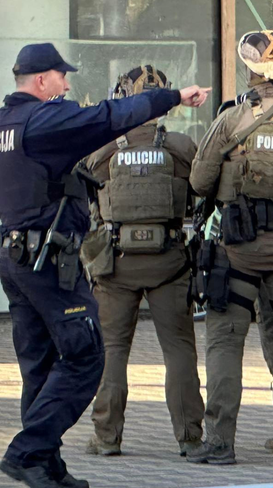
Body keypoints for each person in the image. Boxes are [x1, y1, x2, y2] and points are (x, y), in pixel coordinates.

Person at [0, 42, 209, 488]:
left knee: (39, 368)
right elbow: (107, 116)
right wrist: (174, 96)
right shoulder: (43, 119)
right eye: (62, 76)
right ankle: (26, 452)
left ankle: (46, 466)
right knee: (85, 357)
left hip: (16, 258)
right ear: (41, 80)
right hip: (49, 260)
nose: (66, 84)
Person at [81, 66, 203, 458]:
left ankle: (106, 437)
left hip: (115, 265)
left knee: (113, 349)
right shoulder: (181, 147)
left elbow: (83, 193)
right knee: (179, 350)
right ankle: (190, 438)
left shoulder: (103, 151)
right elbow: (202, 189)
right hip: (169, 261)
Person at [187, 30, 273, 465]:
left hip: (237, 251)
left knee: (224, 343)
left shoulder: (230, 120)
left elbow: (200, 183)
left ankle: (220, 442)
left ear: (250, 70)